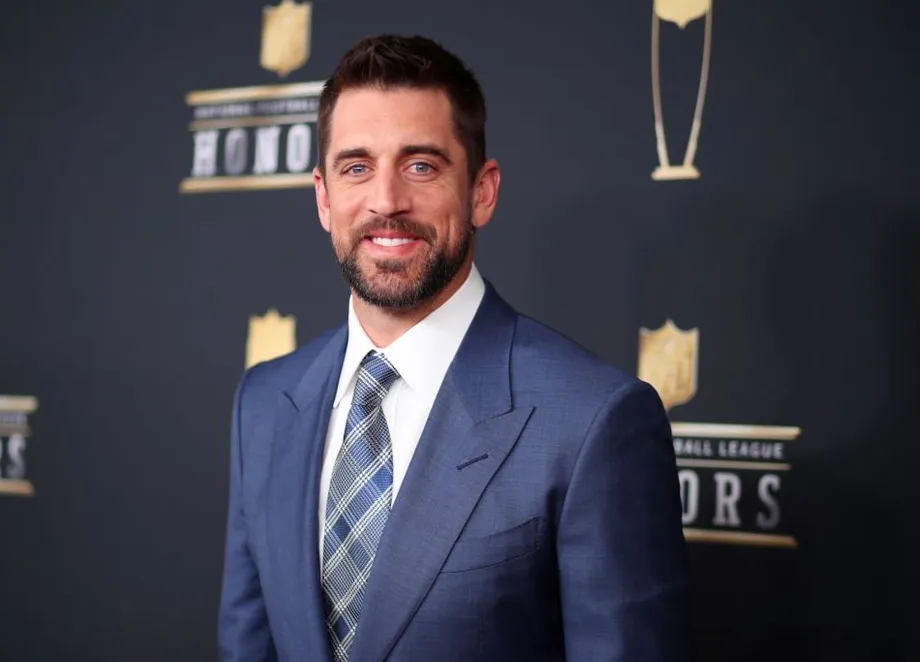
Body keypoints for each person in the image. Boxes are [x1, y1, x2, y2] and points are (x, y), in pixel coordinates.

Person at [218, 34, 694, 661]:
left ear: (482, 192)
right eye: (357, 167)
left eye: (421, 165)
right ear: (324, 198)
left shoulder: (593, 421)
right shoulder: (265, 402)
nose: (386, 201)